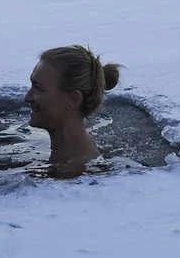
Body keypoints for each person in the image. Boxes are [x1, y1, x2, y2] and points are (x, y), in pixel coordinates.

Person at [25, 44, 120, 179]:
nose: (27, 97)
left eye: (38, 88)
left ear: (73, 99)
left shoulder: (72, 172)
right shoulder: (74, 150)